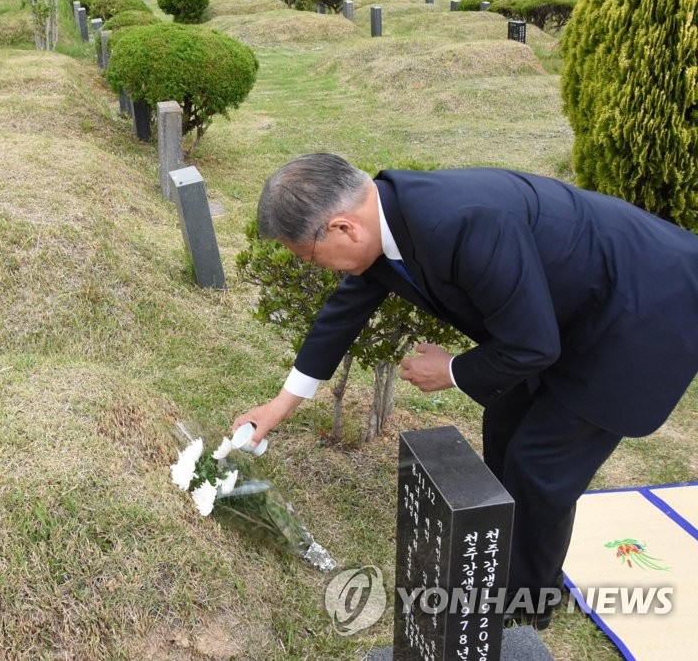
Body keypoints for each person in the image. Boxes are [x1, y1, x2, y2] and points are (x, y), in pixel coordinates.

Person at [234, 153, 698, 628]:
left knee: (540, 465)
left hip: (643, 311)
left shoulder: (461, 222)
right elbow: (343, 312)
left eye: (311, 258)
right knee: (504, 427)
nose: (321, 270)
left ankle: (524, 609)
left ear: (342, 229)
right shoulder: (386, 216)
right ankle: (510, 565)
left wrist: (452, 371)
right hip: (568, 310)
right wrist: (281, 404)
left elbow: (532, 344)